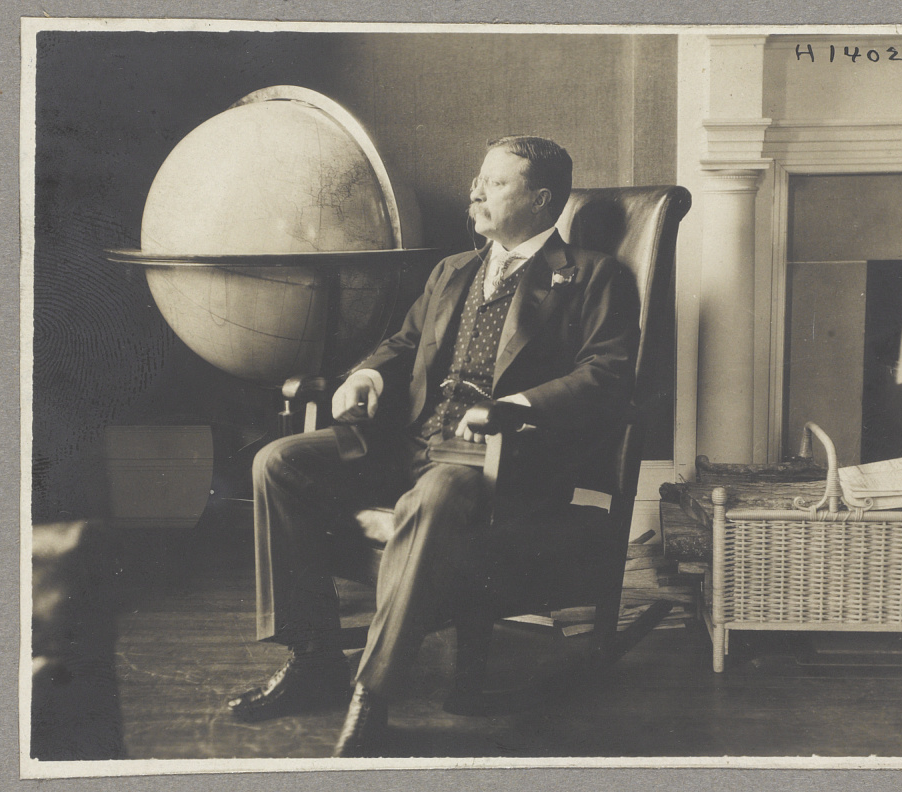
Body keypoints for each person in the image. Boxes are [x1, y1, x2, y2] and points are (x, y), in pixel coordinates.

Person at [226, 135, 641, 757]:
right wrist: (367, 376)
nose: (475, 191)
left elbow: (606, 373)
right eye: (479, 178)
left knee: (436, 493)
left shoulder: (592, 276)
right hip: (410, 443)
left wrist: (515, 406)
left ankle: (373, 692)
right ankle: (313, 657)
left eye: (495, 182)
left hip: (499, 462)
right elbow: (403, 345)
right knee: (279, 462)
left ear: (540, 199)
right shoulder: (453, 270)